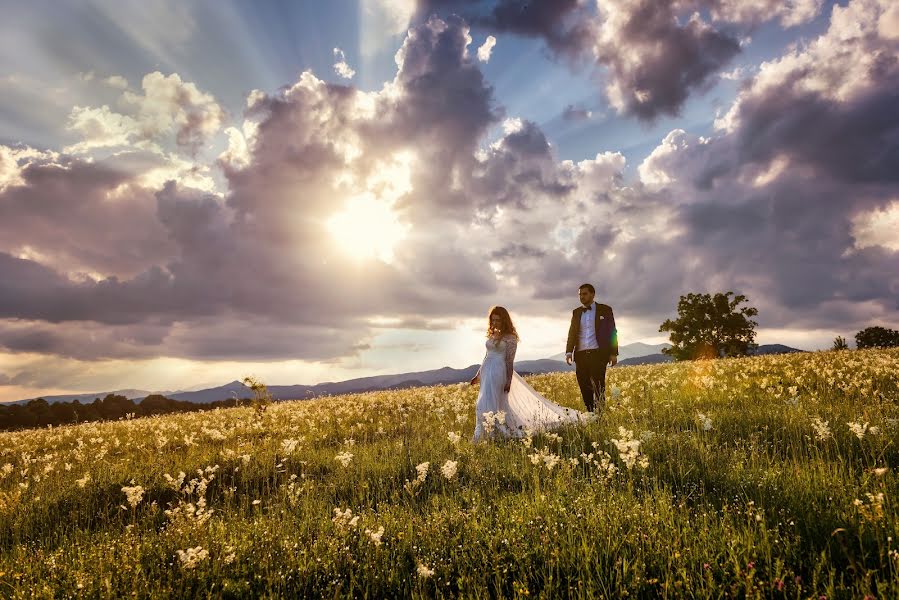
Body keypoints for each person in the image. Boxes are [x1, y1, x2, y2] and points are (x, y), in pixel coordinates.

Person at [470, 306, 587, 441]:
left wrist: (508, 380)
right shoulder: (491, 335)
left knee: (494, 403)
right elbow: (486, 356)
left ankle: (496, 433)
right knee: (482, 402)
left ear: (504, 320)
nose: (495, 323)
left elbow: (509, 361)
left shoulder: (510, 338)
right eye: (493, 320)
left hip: (498, 372)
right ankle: (483, 435)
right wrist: (478, 374)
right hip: (486, 372)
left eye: (498, 320)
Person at [566, 283, 618, 416]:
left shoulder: (605, 310)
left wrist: (613, 353)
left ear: (592, 294)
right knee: (584, 387)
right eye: (580, 295)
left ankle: (601, 415)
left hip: (598, 354)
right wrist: (568, 351)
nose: (582, 297)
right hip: (580, 355)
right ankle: (590, 414)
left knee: (599, 387)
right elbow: (572, 333)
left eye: (584, 294)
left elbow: (612, 331)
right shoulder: (576, 312)